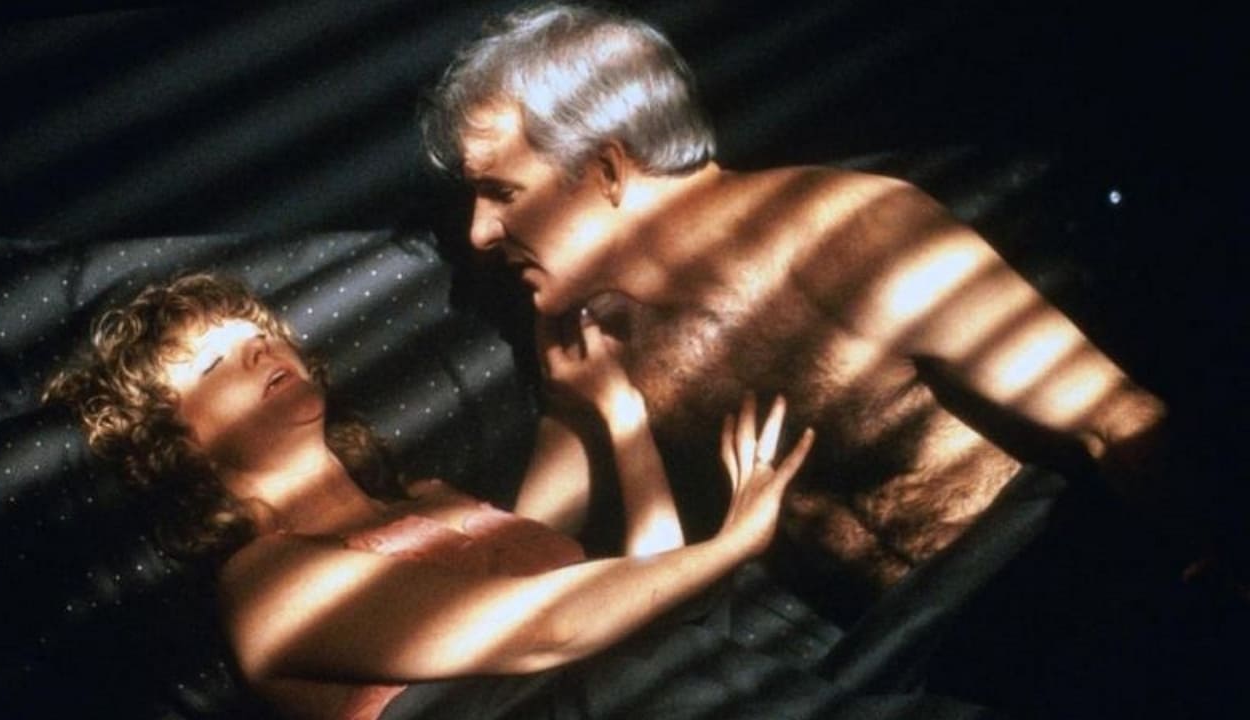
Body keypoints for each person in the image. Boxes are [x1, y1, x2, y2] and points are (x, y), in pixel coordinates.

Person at [419, 2, 1176, 608]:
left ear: (607, 169)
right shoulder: (588, 332)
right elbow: (522, 559)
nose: (479, 234)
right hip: (880, 667)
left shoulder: (857, 233)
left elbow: (1119, 423)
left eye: (502, 192)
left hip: (1072, 587)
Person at [44, 272, 827, 720]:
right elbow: (550, 629)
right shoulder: (266, 584)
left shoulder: (429, 499)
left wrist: (618, 415)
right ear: (177, 443)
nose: (257, 351)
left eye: (259, 335)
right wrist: (730, 546)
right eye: (215, 364)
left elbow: (639, 596)